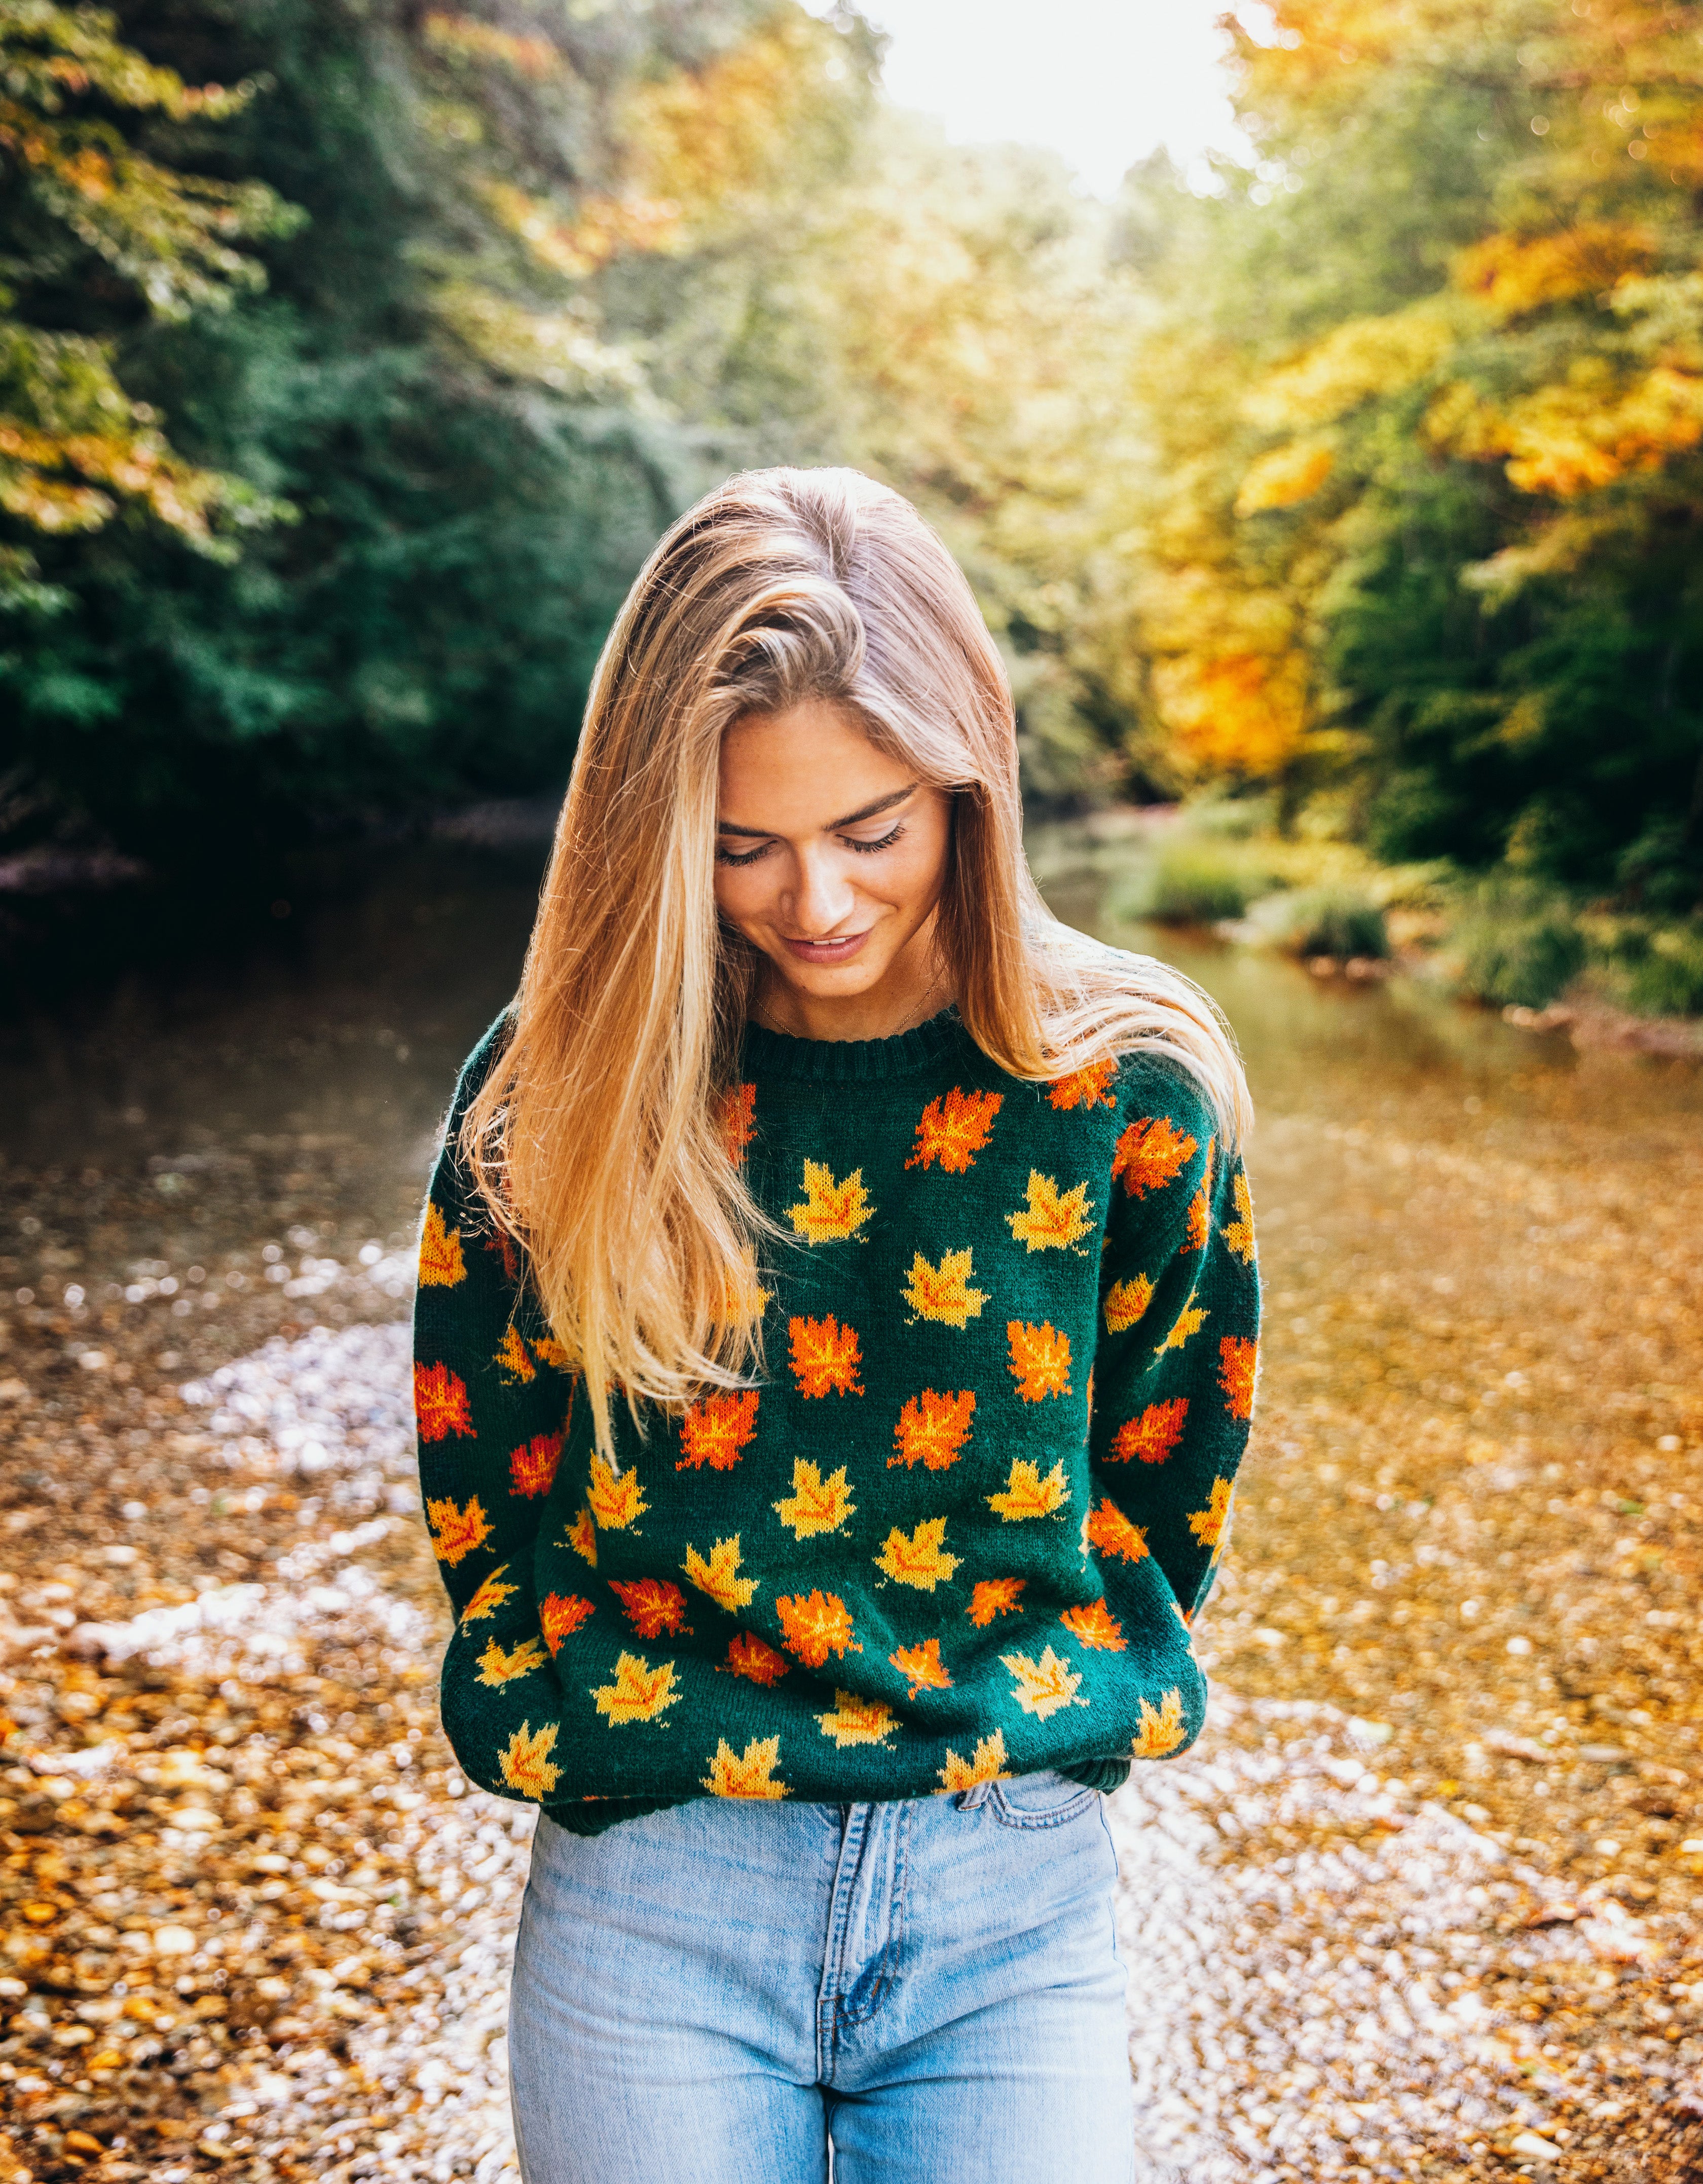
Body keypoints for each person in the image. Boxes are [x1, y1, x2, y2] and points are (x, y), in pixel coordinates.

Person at [411, 466, 1260, 2184]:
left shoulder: (1132, 1091)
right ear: (652, 829)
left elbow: (1173, 1470)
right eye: (740, 847)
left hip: (1007, 1900)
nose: (816, 903)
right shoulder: (562, 1080)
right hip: (656, 1894)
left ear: (974, 789)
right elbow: (481, 1458)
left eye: (875, 829)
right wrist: (612, 1705)